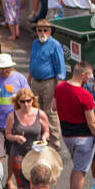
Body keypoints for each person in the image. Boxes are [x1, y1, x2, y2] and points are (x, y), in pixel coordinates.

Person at [56, 60, 95, 189]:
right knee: (80, 172)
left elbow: (54, 107)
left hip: (67, 135)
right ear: (83, 75)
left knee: (77, 168)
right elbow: (92, 122)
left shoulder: (60, 88)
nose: (90, 78)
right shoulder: (85, 95)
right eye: (89, 75)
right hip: (84, 138)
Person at [28, 20, 65, 148]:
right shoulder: (35, 44)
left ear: (50, 31)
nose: (42, 33)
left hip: (49, 82)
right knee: (35, 111)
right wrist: (29, 78)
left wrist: (57, 92)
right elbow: (32, 62)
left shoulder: (55, 45)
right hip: (35, 82)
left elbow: (60, 70)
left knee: (50, 112)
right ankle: (41, 137)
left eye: (45, 30)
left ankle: (55, 142)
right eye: (40, 30)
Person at [3, 89, 49, 189]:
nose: (26, 104)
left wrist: (44, 138)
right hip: (19, 153)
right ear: (18, 102)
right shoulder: (12, 116)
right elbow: (8, 134)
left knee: (37, 183)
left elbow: (46, 131)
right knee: (23, 185)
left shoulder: (40, 114)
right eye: (22, 102)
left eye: (29, 101)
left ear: (33, 100)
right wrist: (16, 138)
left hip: (36, 153)